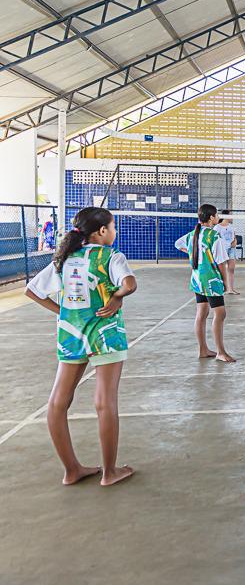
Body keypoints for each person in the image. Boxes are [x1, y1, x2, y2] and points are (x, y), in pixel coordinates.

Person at [25, 206, 136, 486]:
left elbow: (32, 291)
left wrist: (63, 312)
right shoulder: (111, 256)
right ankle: (110, 472)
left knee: (57, 403)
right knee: (105, 401)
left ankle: (72, 469)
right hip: (105, 334)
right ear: (101, 231)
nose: (115, 232)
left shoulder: (64, 259)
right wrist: (117, 297)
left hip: (71, 334)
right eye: (113, 227)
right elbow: (130, 284)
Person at [175, 204, 236, 363]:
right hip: (210, 280)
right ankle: (220, 352)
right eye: (216, 215)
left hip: (197, 279)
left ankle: (203, 349)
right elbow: (222, 262)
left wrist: (194, 252)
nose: (218, 217)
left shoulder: (193, 235)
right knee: (220, 314)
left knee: (202, 313)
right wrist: (225, 282)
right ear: (211, 218)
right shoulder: (214, 236)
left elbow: (178, 244)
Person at [216, 209, 238, 295]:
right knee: (221, 270)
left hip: (231, 249)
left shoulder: (231, 227)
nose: (232, 217)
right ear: (226, 216)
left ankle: (231, 289)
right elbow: (215, 239)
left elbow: (234, 236)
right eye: (230, 215)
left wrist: (235, 241)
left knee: (231, 269)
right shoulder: (217, 227)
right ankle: (222, 288)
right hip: (222, 249)